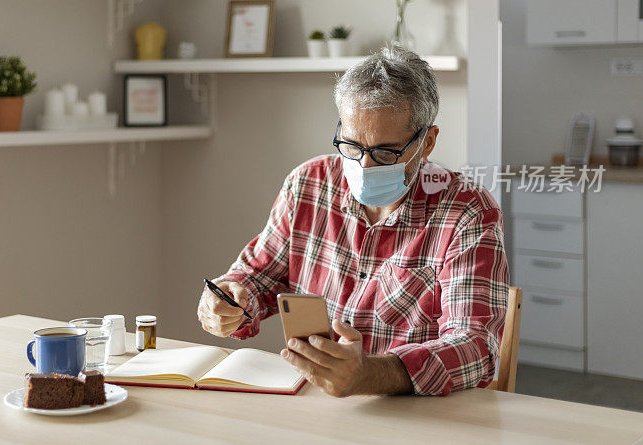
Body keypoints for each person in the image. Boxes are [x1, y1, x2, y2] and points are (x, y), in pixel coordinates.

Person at [196, 46, 509, 397]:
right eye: (352, 146)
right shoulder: (309, 184)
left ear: (428, 142)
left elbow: (475, 347)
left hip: (414, 415)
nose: (364, 167)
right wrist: (231, 301)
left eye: (386, 152)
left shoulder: (467, 210)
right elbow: (257, 276)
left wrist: (373, 374)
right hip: (312, 403)